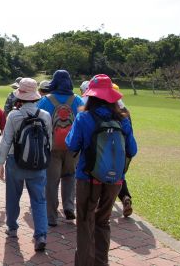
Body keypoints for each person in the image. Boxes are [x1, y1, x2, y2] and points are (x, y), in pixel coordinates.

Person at [65, 74, 137, 266]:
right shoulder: (123, 119)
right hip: (115, 181)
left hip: (87, 178)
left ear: (92, 96)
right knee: (103, 222)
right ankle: (101, 262)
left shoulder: (83, 117)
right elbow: (133, 150)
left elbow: (72, 145)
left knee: (85, 222)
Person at [0, 78, 52, 251]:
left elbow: (6, 141)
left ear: (20, 96)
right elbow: (49, 140)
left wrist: (0, 163)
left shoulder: (14, 115)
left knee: (13, 196)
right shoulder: (45, 115)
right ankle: (41, 235)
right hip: (38, 164)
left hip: (15, 162)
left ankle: (12, 228)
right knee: (39, 199)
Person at [37, 70, 85, 226]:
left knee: (51, 181)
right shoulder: (78, 100)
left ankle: (51, 216)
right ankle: (69, 207)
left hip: (52, 147)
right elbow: (84, 121)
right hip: (73, 148)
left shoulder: (45, 101)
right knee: (70, 176)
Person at [112, 83, 133, 217]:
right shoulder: (125, 111)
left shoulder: (107, 111)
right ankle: (125, 197)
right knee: (120, 176)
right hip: (123, 150)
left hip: (107, 149)